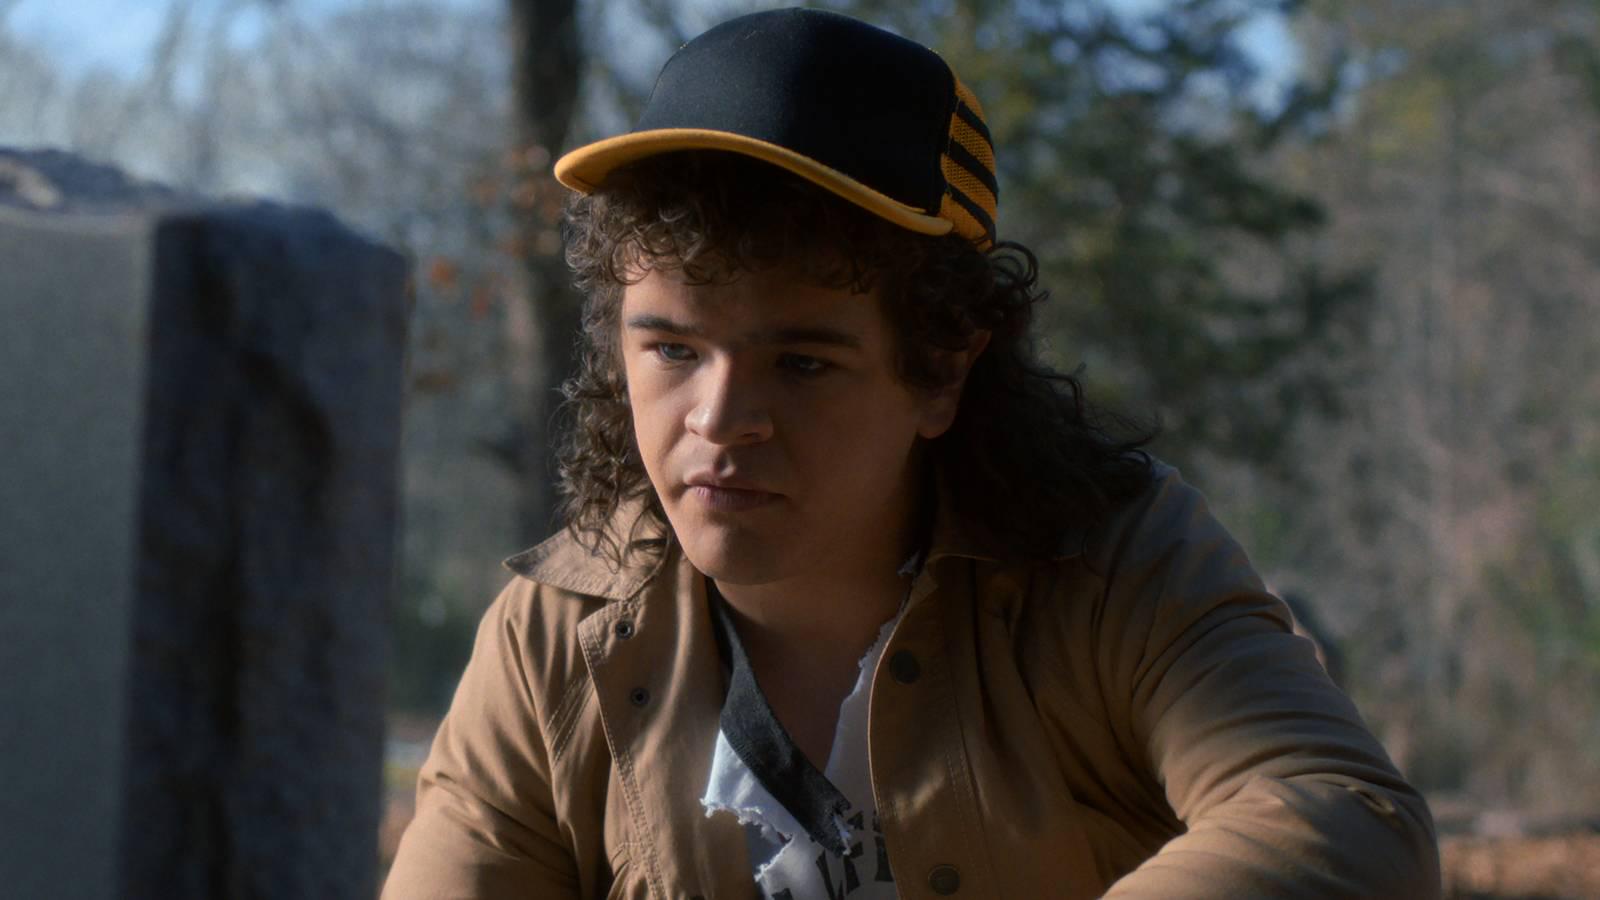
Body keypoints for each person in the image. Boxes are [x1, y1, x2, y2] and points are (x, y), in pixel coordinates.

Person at [384, 8, 1440, 899]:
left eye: (800, 363)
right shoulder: (556, 630)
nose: (718, 417)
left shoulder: (1114, 563)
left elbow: (1340, 814)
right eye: (670, 348)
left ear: (941, 371)